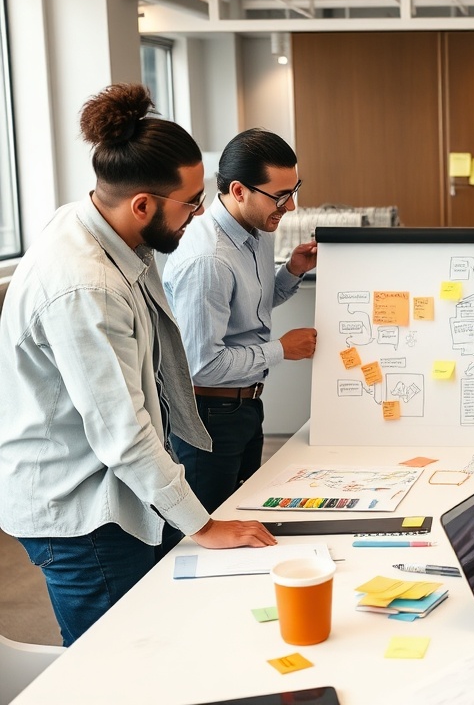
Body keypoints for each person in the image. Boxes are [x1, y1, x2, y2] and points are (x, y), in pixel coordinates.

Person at [0, 84, 276, 646]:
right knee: (120, 663)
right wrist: (203, 523)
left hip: (118, 486)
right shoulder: (86, 286)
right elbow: (121, 430)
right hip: (82, 509)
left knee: (163, 636)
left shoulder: (107, 231)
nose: (200, 215)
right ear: (143, 205)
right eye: (192, 204)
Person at [163, 129, 318, 513]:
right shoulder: (208, 260)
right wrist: (282, 349)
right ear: (238, 191)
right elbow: (204, 365)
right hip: (209, 415)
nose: (292, 207)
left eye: (294, 190)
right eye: (281, 196)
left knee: (241, 515)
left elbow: (256, 306)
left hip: (245, 406)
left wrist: (292, 271)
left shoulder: (257, 230)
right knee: (208, 529)